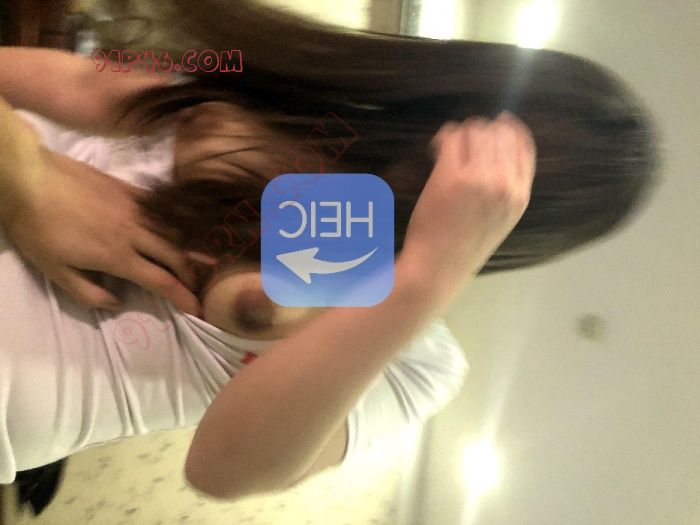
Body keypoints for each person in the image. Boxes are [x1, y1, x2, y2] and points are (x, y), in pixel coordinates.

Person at [0, 0, 660, 500]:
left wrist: (427, 274)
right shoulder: (278, 90)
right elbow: (87, 86)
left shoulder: (415, 359)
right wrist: (25, 177)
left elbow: (223, 469)